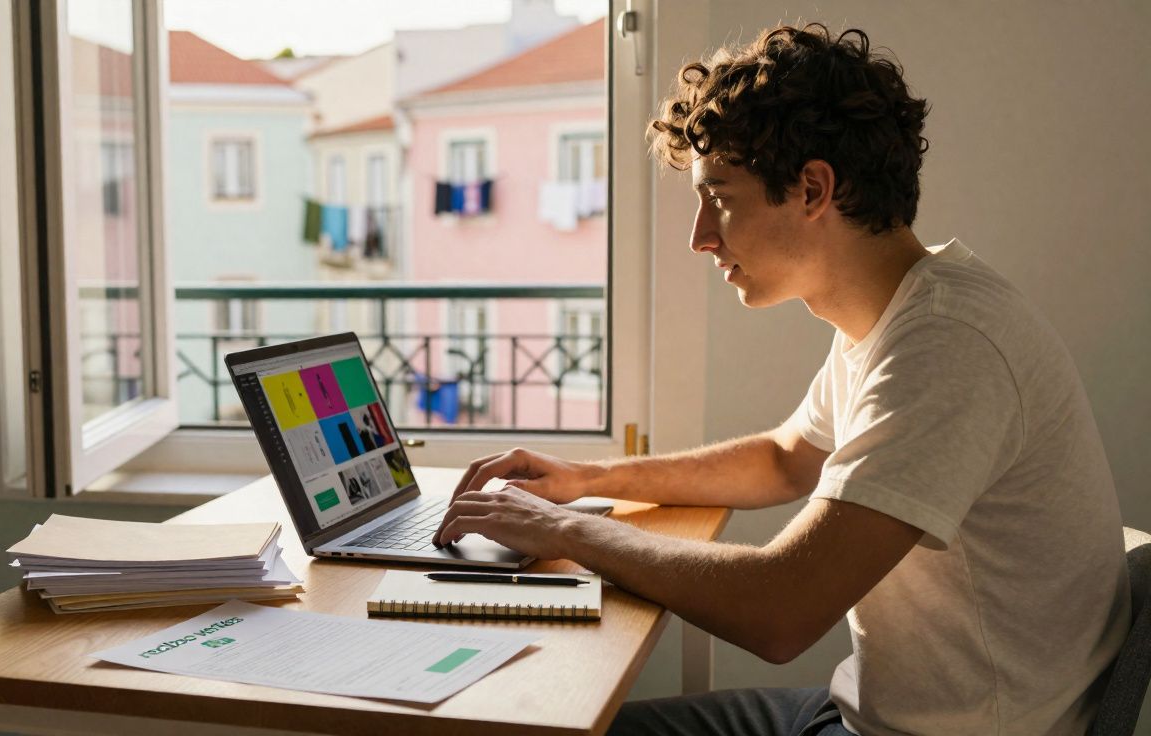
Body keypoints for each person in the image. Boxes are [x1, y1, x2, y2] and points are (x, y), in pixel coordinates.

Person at [432, 23, 1129, 736]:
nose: (700, 235)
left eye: (720, 197)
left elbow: (781, 611)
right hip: (867, 714)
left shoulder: (948, 346)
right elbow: (787, 456)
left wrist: (563, 531)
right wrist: (586, 479)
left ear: (813, 189)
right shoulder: (898, 313)